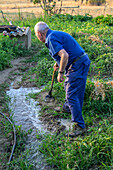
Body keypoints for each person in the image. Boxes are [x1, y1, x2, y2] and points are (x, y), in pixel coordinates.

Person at [34, 21, 91, 137]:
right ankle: (70, 108)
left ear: (39, 34)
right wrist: (58, 63)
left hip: (77, 64)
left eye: (36, 34)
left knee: (71, 93)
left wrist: (60, 72)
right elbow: (63, 53)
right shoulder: (54, 34)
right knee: (72, 87)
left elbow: (65, 55)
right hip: (82, 61)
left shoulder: (50, 39)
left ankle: (79, 125)